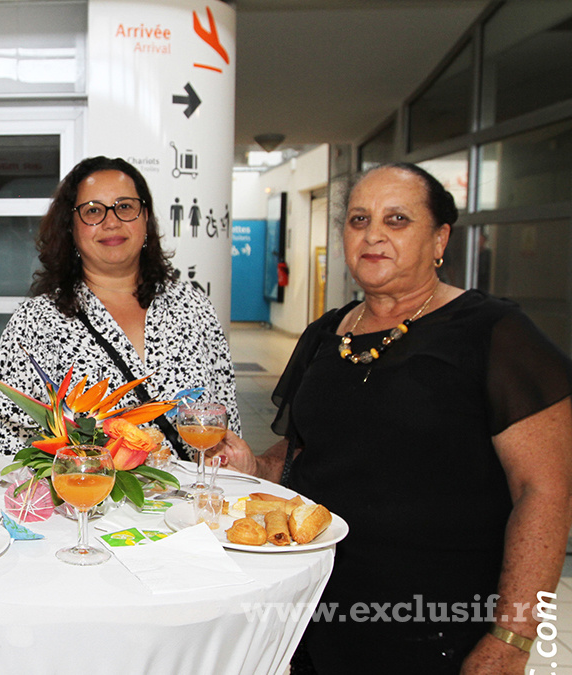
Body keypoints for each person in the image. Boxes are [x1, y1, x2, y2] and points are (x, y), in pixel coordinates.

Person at [216, 163, 572, 675]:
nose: (373, 234)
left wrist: (510, 640)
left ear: (439, 238)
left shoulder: (493, 332)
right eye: (358, 219)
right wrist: (254, 467)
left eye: (398, 219)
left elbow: (545, 492)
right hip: (315, 608)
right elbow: (302, 455)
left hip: (436, 620)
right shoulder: (326, 333)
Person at [0, 156, 240, 457]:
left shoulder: (194, 308)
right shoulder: (35, 323)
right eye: (93, 211)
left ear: (145, 218)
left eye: (125, 207)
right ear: (70, 227)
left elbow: (227, 429)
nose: (112, 222)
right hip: (84, 501)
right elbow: (11, 449)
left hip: (191, 501)